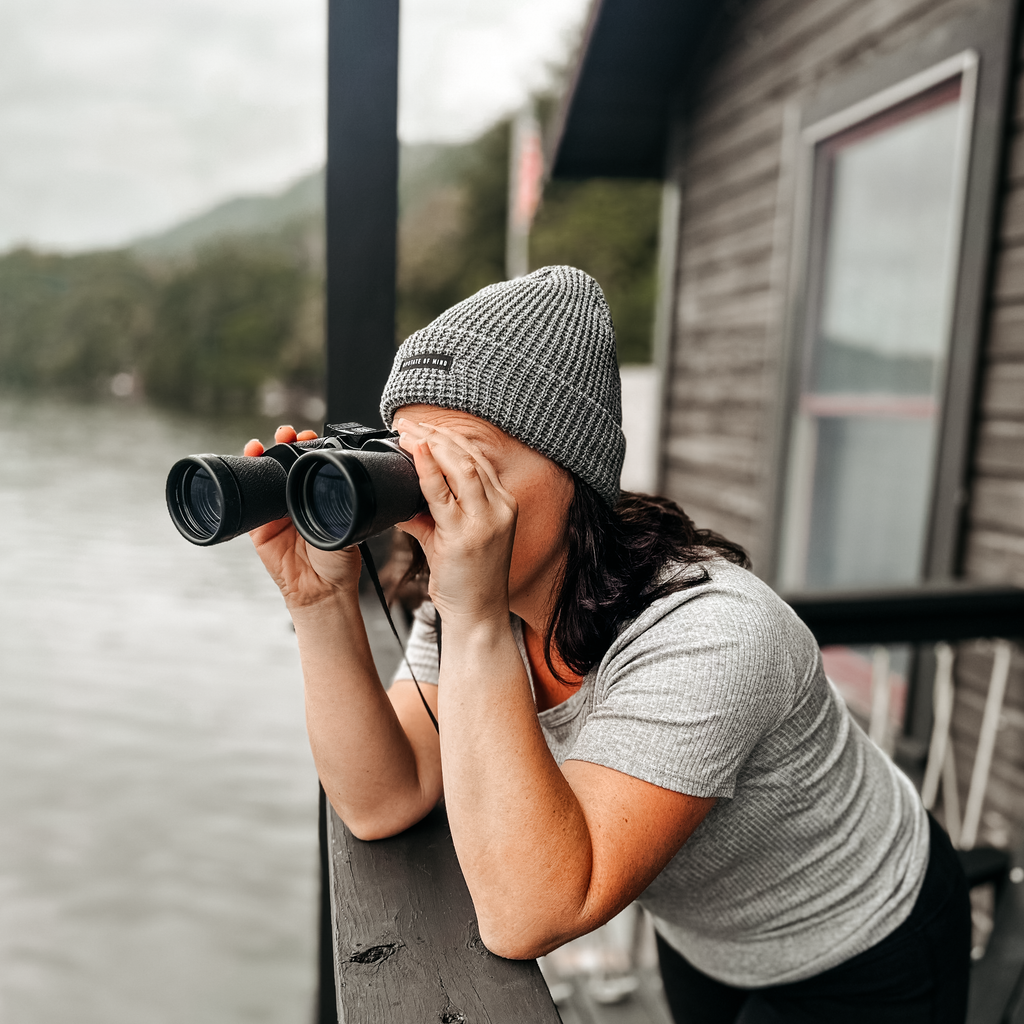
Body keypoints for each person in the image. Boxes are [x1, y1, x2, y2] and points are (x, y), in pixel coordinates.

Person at [249, 266, 970, 1023]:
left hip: (867, 936)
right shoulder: (472, 602)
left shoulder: (713, 632)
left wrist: (474, 617)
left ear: (575, 473)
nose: (431, 504)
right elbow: (382, 800)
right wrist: (319, 602)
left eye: (464, 466)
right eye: (408, 466)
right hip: (706, 938)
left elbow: (530, 911)